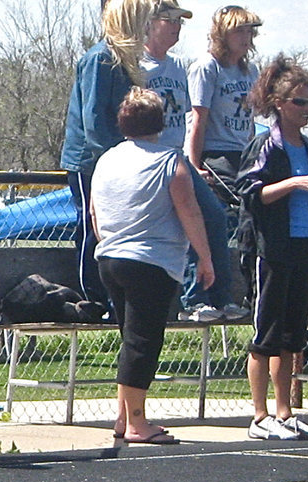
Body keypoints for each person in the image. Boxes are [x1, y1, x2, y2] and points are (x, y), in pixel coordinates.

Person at [91, 87, 215, 444]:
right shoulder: (169, 161)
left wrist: (108, 243)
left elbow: (95, 213)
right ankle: (137, 422)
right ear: (161, 122)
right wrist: (205, 258)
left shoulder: (107, 159)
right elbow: (189, 211)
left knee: (129, 338)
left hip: (111, 258)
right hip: (151, 261)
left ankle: (122, 416)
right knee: (144, 341)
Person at [141, 0, 248, 322]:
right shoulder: (137, 66)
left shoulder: (176, 66)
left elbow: (185, 118)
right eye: (170, 20)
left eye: (180, 22)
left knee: (213, 216)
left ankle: (221, 296)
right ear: (149, 24)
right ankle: (194, 299)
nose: (177, 28)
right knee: (185, 221)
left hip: (178, 159)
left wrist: (191, 161)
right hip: (150, 160)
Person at [235, 56, 308, 441]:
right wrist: (294, 184)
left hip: (300, 246)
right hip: (270, 249)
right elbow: (251, 194)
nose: (305, 110)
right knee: (266, 334)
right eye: (298, 103)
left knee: (291, 334)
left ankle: (285, 412)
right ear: (279, 103)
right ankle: (259, 415)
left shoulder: (307, 147)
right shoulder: (266, 145)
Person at [60, 0, 154, 310]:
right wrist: (115, 158)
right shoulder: (100, 59)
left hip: (117, 160)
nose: (148, 29)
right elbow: (94, 119)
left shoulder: (129, 62)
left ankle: (113, 296)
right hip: (90, 163)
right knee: (91, 224)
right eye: (144, 20)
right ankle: (91, 295)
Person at [187, 5, 262, 295]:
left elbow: (253, 120)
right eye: (238, 31)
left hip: (243, 151)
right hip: (216, 152)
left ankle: (250, 286)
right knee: (237, 205)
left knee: (255, 209)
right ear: (223, 34)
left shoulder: (250, 70)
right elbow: (198, 118)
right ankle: (207, 293)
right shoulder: (207, 67)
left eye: (248, 31)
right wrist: (195, 163)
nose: (245, 38)